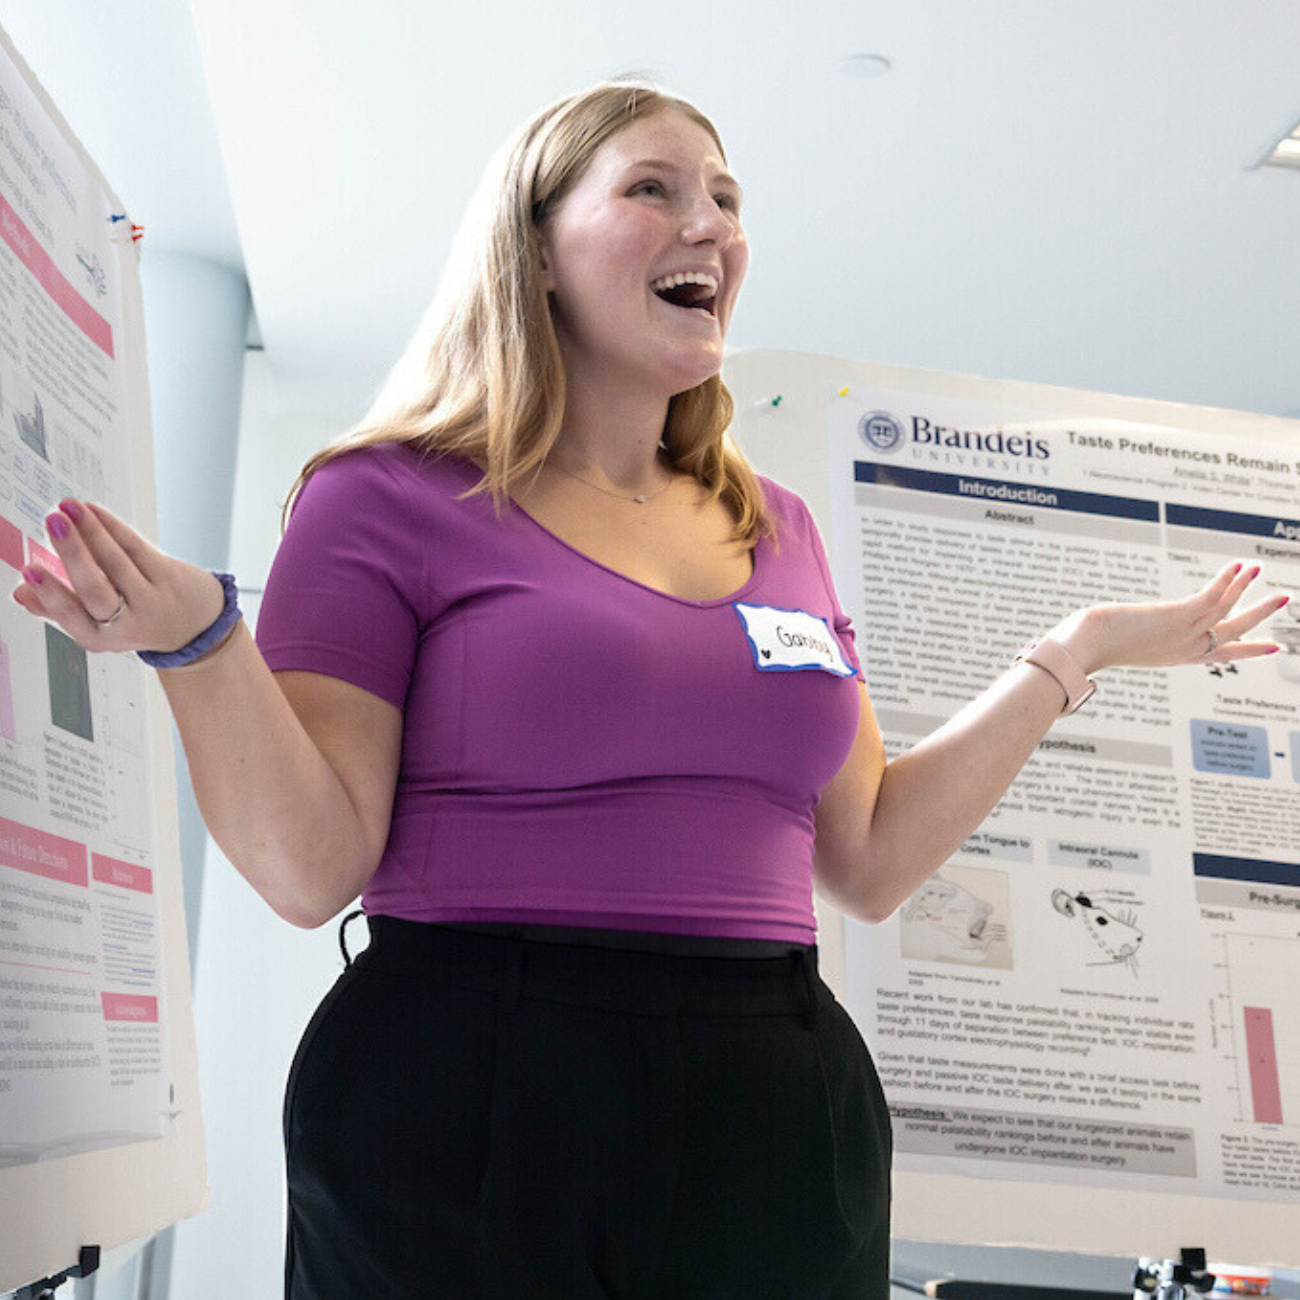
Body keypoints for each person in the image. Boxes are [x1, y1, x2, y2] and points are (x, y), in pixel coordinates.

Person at [10, 79, 1287, 1300]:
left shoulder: (774, 523)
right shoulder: (386, 494)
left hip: (776, 1092)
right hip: (475, 1071)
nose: (710, 226)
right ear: (538, 247)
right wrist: (200, 644)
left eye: (727, 199)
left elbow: (872, 854)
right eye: (655, 188)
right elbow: (307, 868)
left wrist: (1074, 654)